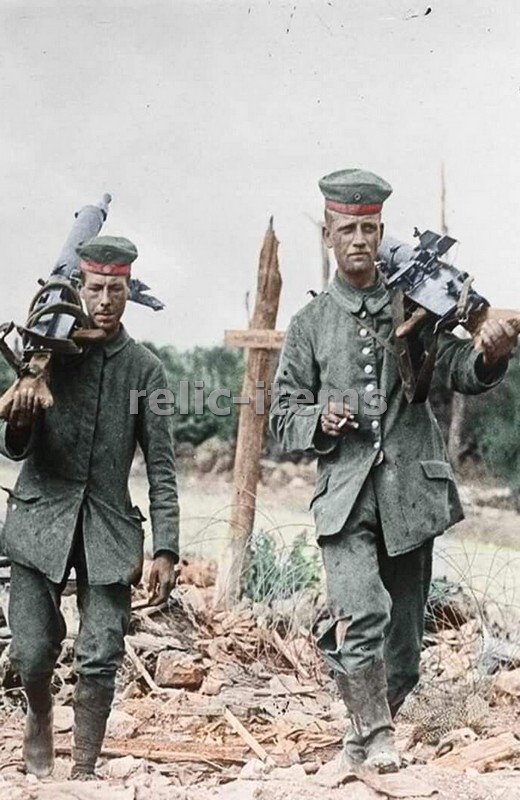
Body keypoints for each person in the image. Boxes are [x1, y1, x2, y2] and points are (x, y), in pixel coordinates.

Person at [269, 169, 517, 773]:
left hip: (410, 493)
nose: (359, 239)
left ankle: (360, 738)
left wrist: (494, 352)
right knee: (362, 613)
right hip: (346, 497)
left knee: (403, 657)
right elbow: (281, 415)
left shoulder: (416, 301)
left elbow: (460, 367)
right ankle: (378, 737)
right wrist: (317, 420)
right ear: (327, 233)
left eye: (370, 228)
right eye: (347, 228)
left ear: (382, 233)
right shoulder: (309, 325)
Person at [0, 235, 179, 780]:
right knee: (31, 650)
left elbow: (163, 467)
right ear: (79, 286)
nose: (105, 300)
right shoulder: (45, 354)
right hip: (38, 522)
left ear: (130, 291)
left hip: (108, 530)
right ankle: (39, 711)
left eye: (116, 289)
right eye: (96, 288)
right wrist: (24, 414)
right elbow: (13, 449)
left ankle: (82, 771)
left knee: (101, 651)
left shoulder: (146, 370)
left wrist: (167, 548)